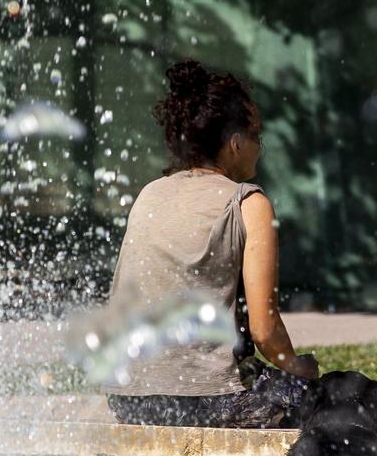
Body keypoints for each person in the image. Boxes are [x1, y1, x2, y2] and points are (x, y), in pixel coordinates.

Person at [105, 60, 320, 427]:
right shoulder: (248, 203)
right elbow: (264, 332)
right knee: (329, 399)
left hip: (129, 398)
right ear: (235, 143)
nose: (260, 148)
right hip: (209, 400)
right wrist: (300, 369)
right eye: (257, 137)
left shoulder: (148, 195)